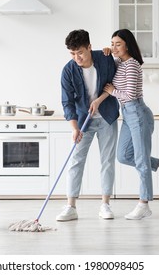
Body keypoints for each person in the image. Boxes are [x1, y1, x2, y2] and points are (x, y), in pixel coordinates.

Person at [103, 29, 159, 220]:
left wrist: (112, 92)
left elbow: (131, 95)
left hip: (138, 113)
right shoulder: (119, 63)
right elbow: (108, 63)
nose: (115, 47)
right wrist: (106, 52)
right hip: (127, 115)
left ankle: (144, 204)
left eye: (118, 43)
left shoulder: (133, 65)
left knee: (141, 161)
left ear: (128, 44)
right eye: (112, 43)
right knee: (123, 155)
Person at [57, 29, 119, 221]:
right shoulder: (68, 70)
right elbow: (67, 102)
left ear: (90, 47)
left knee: (107, 162)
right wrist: (75, 128)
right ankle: (71, 207)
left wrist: (100, 100)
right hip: (84, 120)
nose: (77, 58)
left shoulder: (105, 58)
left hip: (107, 117)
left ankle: (105, 205)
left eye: (80, 52)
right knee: (76, 161)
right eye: (72, 54)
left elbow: (116, 84)